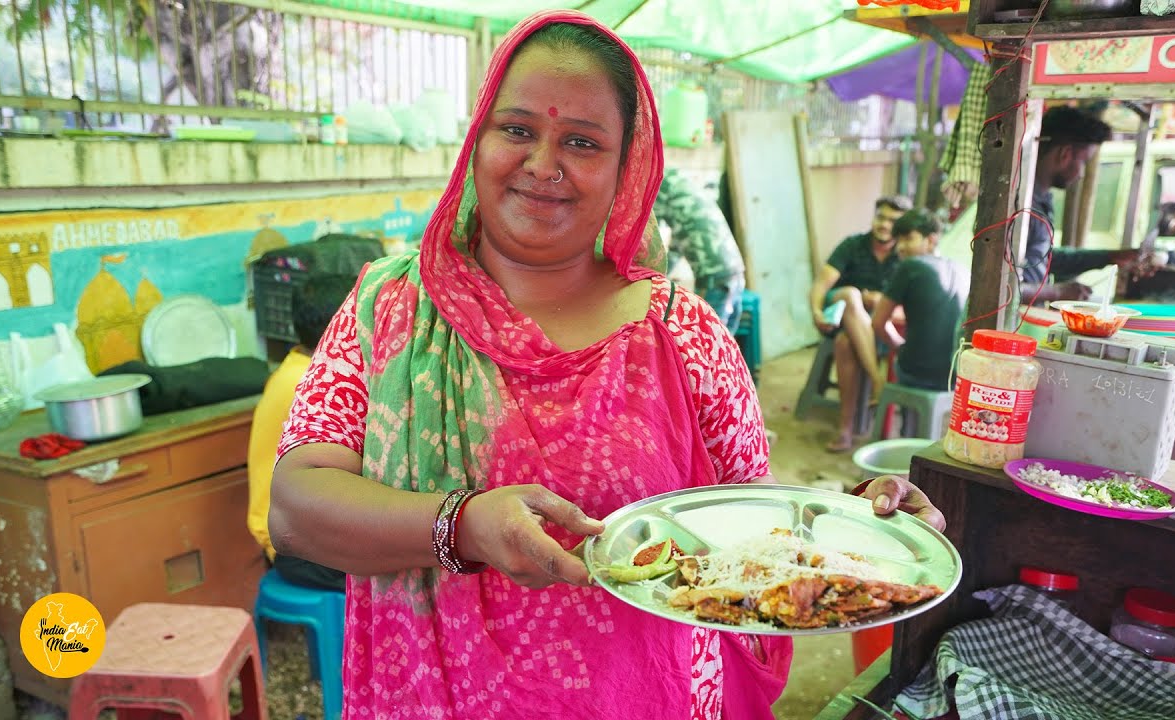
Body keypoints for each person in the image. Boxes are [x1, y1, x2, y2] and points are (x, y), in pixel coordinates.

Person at [268, 11, 946, 719]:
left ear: (627, 168)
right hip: (434, 700)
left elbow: (747, 529)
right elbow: (296, 510)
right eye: (518, 129)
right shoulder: (392, 308)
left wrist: (865, 534)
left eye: (582, 142)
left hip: (645, 697)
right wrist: (463, 525)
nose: (542, 164)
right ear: (477, 140)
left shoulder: (684, 334)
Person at [246, 273, 354, 592]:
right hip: (294, 548)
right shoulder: (314, 384)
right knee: (406, 571)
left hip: (289, 535)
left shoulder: (295, 366)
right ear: (343, 327)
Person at [807, 195, 912, 452]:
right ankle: (878, 383)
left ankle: (845, 430)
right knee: (851, 295)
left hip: (880, 329)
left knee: (845, 344)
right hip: (842, 314)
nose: (884, 225)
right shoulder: (853, 245)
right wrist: (816, 312)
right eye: (881, 217)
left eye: (892, 221)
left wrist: (883, 302)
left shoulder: (904, 256)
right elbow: (822, 283)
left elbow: (910, 304)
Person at [1021, 106, 1152, 303]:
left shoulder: (1042, 199)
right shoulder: (1019, 204)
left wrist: (1109, 257)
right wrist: (1056, 293)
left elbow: (1044, 258)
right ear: (1065, 154)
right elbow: (997, 285)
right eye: (1084, 161)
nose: (1082, 174)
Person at [871, 210, 969, 392]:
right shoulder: (963, 270)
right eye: (898, 240)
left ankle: (890, 410)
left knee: (893, 358)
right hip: (956, 375)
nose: (900, 247)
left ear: (931, 240)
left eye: (908, 239)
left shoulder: (910, 266)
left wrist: (899, 346)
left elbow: (878, 323)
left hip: (918, 374)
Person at [654, 167, 747, 332]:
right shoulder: (682, 184)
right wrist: (663, 275)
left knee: (707, 341)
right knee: (726, 344)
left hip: (714, 276)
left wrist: (656, 278)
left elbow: (650, 235)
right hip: (735, 269)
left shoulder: (659, 184)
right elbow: (678, 240)